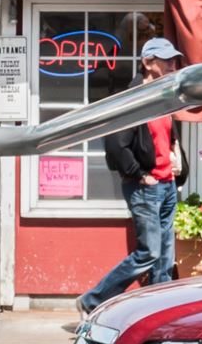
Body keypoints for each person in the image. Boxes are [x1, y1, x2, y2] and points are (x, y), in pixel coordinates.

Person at [76, 37, 185, 318]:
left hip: (166, 184)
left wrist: (175, 158)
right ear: (147, 63)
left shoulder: (163, 97)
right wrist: (139, 174)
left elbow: (166, 138)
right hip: (146, 187)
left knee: (165, 257)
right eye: (166, 60)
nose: (172, 65)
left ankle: (160, 311)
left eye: (174, 60)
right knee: (149, 253)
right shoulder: (134, 98)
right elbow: (116, 144)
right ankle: (92, 300)